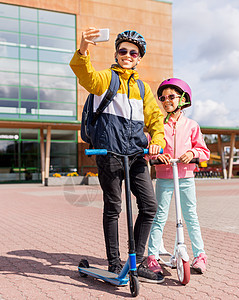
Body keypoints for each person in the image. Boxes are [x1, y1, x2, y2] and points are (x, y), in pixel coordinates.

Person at [69, 28, 166, 283]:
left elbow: (155, 121)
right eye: (123, 51)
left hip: (135, 155)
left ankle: (137, 260)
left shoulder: (143, 89)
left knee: (149, 206)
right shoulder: (105, 79)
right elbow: (85, 75)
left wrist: (156, 141)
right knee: (113, 207)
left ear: (139, 58)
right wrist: (83, 50)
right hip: (109, 153)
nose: (127, 55)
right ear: (116, 53)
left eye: (133, 52)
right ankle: (114, 262)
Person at [146, 78, 210, 275]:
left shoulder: (192, 125)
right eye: (163, 98)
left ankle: (200, 255)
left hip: (186, 177)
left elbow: (203, 151)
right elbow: (149, 150)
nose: (166, 101)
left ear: (183, 99)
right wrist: (157, 155)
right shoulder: (159, 125)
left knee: (190, 216)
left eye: (171, 97)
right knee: (159, 216)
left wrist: (193, 154)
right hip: (165, 177)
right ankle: (152, 256)